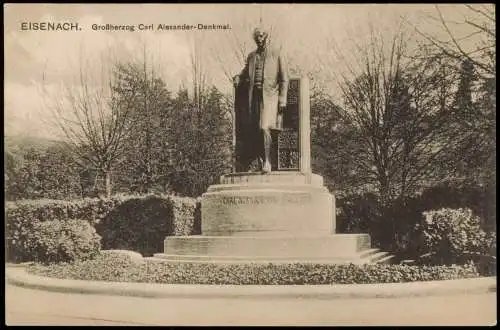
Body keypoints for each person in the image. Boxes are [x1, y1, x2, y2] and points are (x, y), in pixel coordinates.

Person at [233, 27, 289, 173]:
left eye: (262, 35)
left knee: (264, 127)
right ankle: (259, 161)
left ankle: (268, 162)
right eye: (257, 36)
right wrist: (238, 78)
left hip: (270, 97)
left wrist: (282, 99)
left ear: (266, 37)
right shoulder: (251, 56)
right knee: (255, 130)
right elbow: (245, 73)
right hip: (254, 98)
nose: (260, 38)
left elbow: (284, 79)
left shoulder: (276, 54)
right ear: (255, 38)